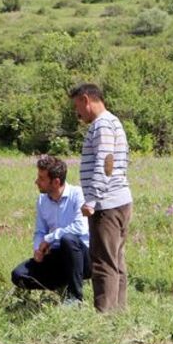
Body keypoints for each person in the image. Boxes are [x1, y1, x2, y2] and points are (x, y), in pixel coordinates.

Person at [69, 83, 133, 312]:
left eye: (78, 106)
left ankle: (105, 314)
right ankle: (118, 310)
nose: (77, 113)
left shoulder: (103, 125)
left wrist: (92, 200)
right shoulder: (111, 122)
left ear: (87, 100)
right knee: (116, 259)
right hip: (118, 200)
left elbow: (105, 164)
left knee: (103, 261)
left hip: (107, 204)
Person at [10, 155, 91, 304]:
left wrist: (49, 238)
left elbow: (80, 227)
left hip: (81, 256)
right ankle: (62, 285)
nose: (36, 182)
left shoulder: (77, 194)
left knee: (68, 239)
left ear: (56, 182)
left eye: (41, 178)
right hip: (56, 256)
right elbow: (40, 231)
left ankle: (75, 297)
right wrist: (38, 249)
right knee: (18, 274)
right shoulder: (42, 200)